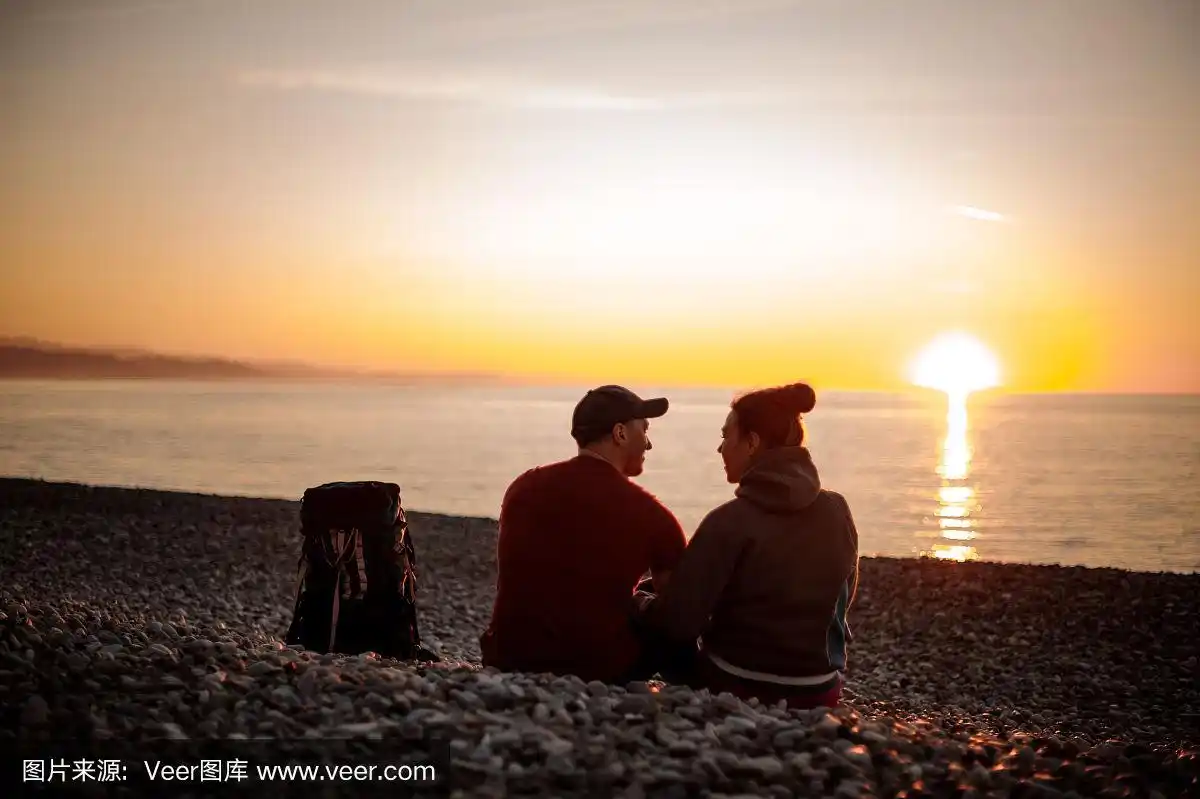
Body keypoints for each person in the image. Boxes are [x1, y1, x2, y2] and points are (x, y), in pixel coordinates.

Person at [634, 381, 859, 708]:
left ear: (752, 442)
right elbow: (843, 593)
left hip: (738, 685)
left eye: (726, 437)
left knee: (651, 622)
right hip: (819, 689)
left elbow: (680, 625)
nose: (720, 449)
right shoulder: (838, 509)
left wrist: (639, 603)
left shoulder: (729, 521)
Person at [480, 385, 688, 683]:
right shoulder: (651, 515)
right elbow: (680, 610)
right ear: (620, 433)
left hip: (509, 656)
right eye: (644, 430)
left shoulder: (523, 487)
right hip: (596, 667)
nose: (649, 444)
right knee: (657, 603)